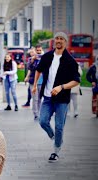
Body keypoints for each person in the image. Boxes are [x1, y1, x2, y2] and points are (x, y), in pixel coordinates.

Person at [32, 32, 80, 162]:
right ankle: (54, 136)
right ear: (54, 41)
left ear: (65, 42)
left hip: (62, 100)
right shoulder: (47, 56)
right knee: (42, 121)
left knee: (59, 126)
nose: (58, 40)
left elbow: (76, 81)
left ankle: (56, 150)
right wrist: (35, 85)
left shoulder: (70, 61)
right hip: (47, 97)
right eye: (57, 38)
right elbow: (38, 70)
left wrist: (61, 87)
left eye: (61, 39)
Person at [24, 45, 44, 120]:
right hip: (33, 81)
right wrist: (32, 60)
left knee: (39, 98)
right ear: (34, 51)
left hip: (42, 82)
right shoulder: (31, 59)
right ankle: (35, 113)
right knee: (35, 98)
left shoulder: (43, 58)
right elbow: (29, 68)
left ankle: (39, 112)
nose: (38, 52)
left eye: (40, 50)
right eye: (37, 50)